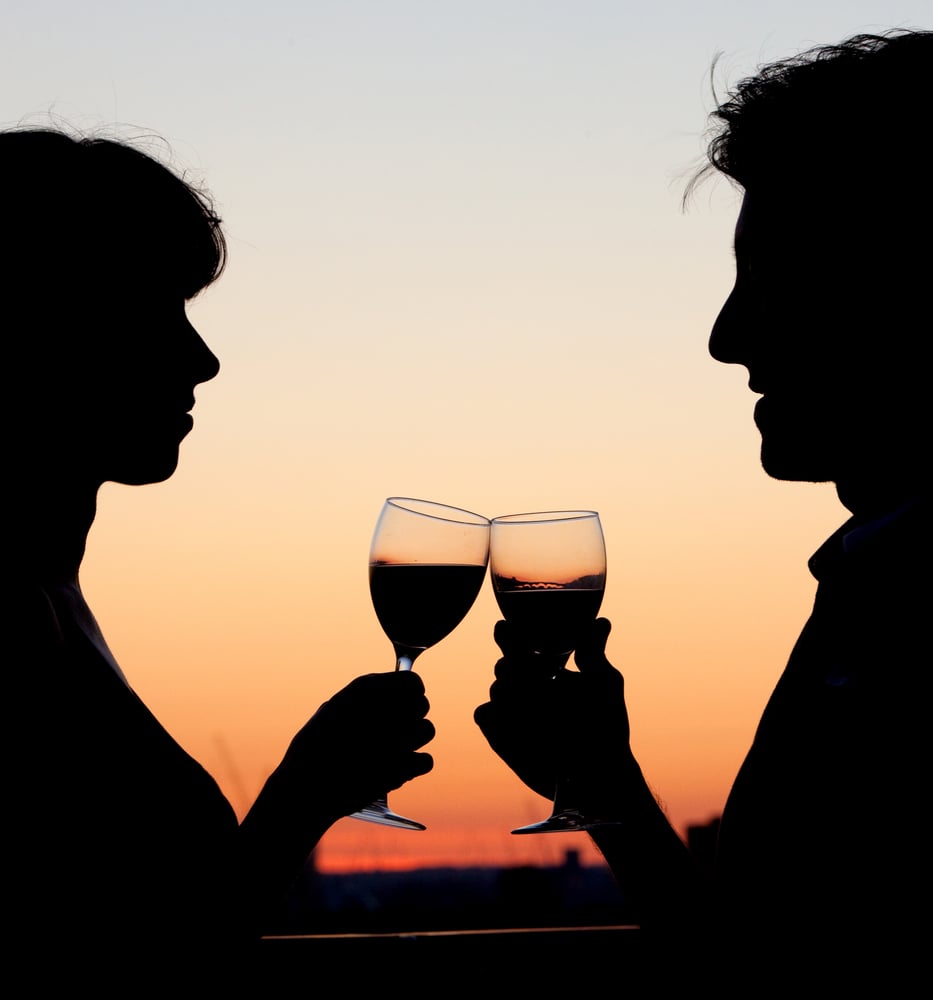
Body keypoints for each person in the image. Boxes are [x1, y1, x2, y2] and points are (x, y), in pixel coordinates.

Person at [475, 28, 930, 990]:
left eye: (766, 281)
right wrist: (601, 789)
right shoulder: (874, 573)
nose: (726, 339)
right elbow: (761, 962)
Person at [5, 127, 435, 989]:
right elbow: (136, 971)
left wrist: (308, 790)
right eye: (153, 312)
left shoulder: (47, 595)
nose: (200, 359)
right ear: (42, 329)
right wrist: (300, 796)